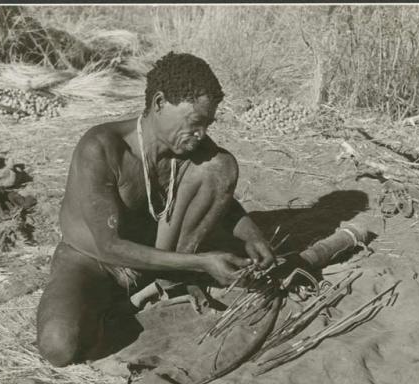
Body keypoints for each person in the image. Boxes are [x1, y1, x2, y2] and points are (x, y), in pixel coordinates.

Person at [36, 52, 275, 367]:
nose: (202, 133)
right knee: (59, 347)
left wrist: (253, 236)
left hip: (158, 259)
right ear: (159, 103)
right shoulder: (102, 148)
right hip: (92, 262)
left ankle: (162, 281)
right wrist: (200, 263)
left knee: (220, 165)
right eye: (195, 122)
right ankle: (127, 299)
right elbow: (109, 246)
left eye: (207, 123)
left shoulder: (191, 149)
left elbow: (226, 203)